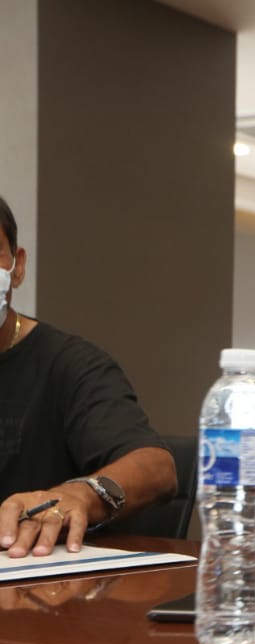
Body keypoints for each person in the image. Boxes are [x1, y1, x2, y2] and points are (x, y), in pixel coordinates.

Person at [0, 195, 176, 558]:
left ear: (17, 267)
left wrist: (79, 494)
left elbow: (156, 469)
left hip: (38, 579)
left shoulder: (71, 365)